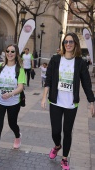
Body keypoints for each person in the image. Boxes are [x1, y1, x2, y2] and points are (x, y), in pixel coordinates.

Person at [41, 32, 95, 170]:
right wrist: (44, 97)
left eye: (71, 42)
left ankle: (64, 159)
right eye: (66, 42)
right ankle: (57, 146)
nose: (68, 44)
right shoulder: (56, 59)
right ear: (63, 44)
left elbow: (86, 84)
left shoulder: (80, 62)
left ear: (75, 44)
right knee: (56, 131)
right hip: (55, 101)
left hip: (71, 103)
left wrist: (92, 102)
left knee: (67, 130)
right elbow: (49, 79)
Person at [0, 44, 26, 166]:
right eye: (7, 51)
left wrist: (11, 94)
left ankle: (17, 134)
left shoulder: (20, 69)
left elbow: (20, 87)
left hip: (14, 102)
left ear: (16, 53)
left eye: (12, 51)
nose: (9, 53)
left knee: (12, 123)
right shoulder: (0, 67)